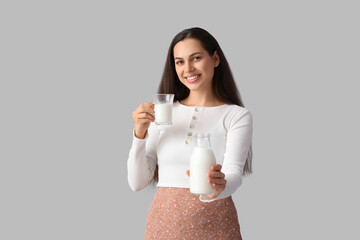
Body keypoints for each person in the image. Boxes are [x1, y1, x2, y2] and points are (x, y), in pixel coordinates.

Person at [127, 27, 253, 239]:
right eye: (179, 61)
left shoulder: (236, 115)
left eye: (196, 58)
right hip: (163, 224)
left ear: (215, 59)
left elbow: (233, 174)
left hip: (216, 222)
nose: (188, 69)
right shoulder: (162, 113)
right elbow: (137, 183)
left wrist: (220, 186)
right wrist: (139, 135)